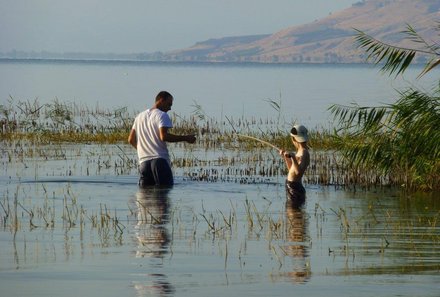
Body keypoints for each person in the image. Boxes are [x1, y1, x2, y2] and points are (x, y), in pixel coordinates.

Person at [128, 91, 196, 187]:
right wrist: (186, 138)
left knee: (145, 199)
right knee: (164, 194)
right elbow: (163, 136)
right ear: (161, 100)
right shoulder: (162, 115)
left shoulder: (139, 117)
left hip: (143, 163)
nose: (170, 108)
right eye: (169, 104)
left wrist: (142, 150)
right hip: (159, 161)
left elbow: (130, 139)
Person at [279, 124, 310, 208]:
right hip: (292, 186)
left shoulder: (304, 152)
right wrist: (286, 158)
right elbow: (291, 170)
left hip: (295, 187)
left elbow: (298, 172)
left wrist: (293, 156)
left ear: (294, 139)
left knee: (292, 211)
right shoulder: (299, 151)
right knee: (292, 211)